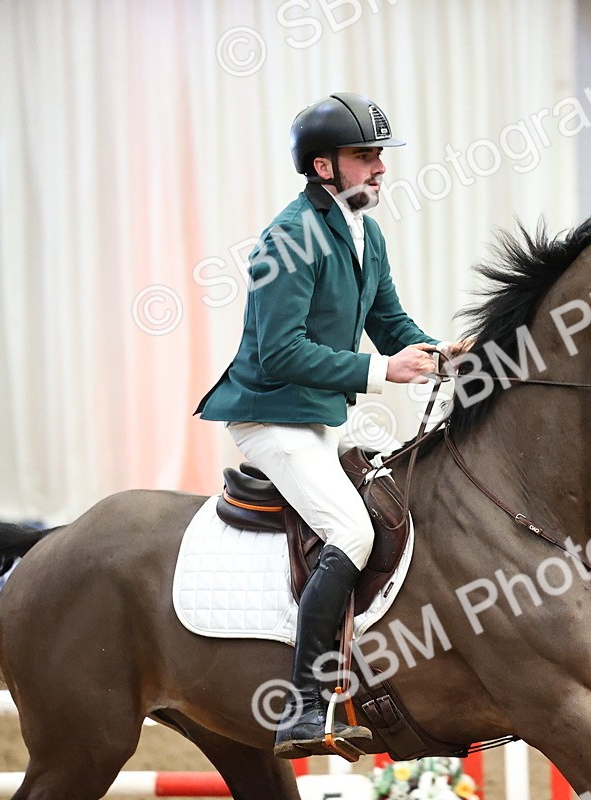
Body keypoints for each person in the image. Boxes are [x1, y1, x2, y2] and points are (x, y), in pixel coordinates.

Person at [195, 92, 468, 757]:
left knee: (400, 495)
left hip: (317, 416)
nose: (379, 168)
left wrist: (439, 353)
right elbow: (279, 351)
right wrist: (384, 374)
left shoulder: (364, 233)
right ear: (323, 168)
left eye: (379, 155)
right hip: (269, 415)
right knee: (348, 528)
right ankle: (304, 708)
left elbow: (390, 324)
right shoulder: (288, 238)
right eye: (364, 156)